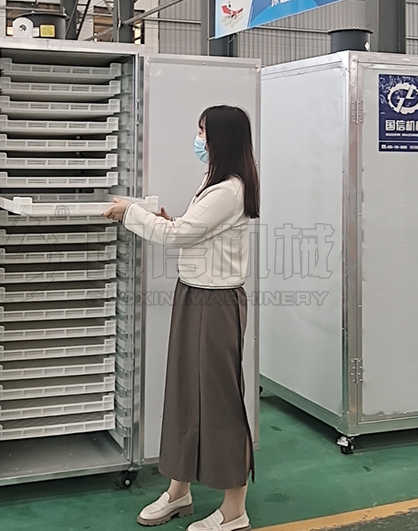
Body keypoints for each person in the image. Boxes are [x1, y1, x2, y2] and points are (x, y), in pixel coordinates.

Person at [103, 105, 259, 531]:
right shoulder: (215, 184)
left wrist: (130, 212)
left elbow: (179, 237)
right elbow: (192, 231)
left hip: (216, 304)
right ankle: (178, 491)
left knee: (220, 402)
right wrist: (169, 221)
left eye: (203, 131)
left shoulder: (229, 190)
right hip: (193, 295)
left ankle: (234, 511)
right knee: (185, 394)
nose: (198, 139)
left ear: (221, 138)